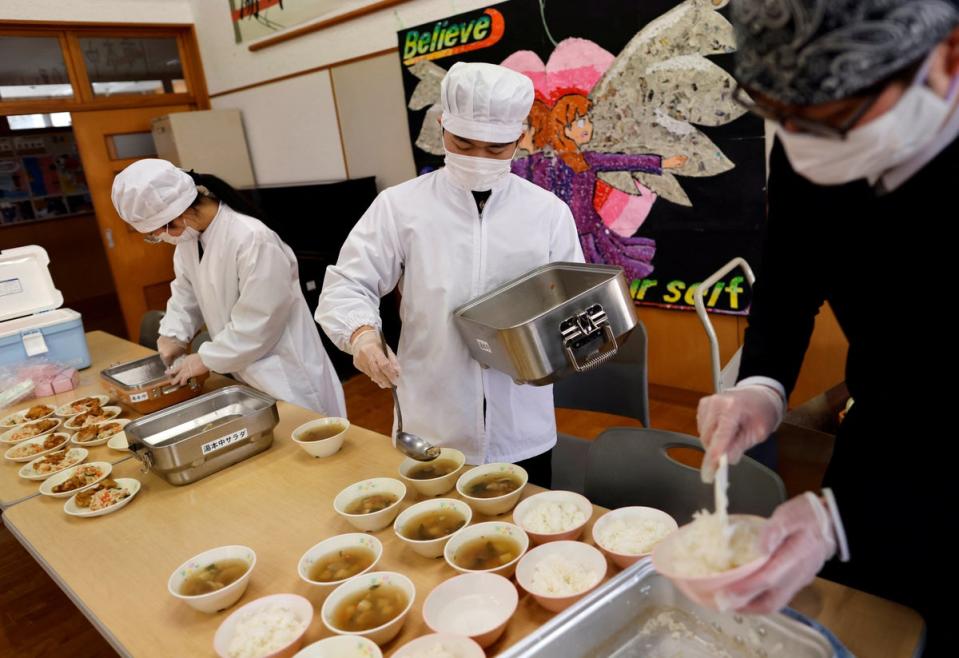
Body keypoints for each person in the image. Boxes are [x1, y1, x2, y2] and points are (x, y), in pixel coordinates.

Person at [694, 1, 956, 650]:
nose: (801, 146)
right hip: (880, 431)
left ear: (947, 57)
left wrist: (846, 519)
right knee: (853, 621)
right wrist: (760, 384)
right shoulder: (806, 135)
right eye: (776, 114)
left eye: (830, 120)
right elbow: (788, 277)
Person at [316, 62, 584, 487]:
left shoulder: (548, 212)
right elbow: (349, 282)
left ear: (519, 139)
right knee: (435, 529)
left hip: (520, 415)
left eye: (496, 149)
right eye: (464, 142)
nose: (478, 159)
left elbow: (574, 299)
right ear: (442, 127)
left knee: (523, 528)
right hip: (431, 411)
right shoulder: (400, 205)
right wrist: (362, 335)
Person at [111, 159, 346, 417]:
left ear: (177, 218)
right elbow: (185, 294)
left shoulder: (252, 238)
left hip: (285, 373)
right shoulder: (189, 240)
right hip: (243, 369)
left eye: (158, 232)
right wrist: (173, 335)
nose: (161, 238)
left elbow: (259, 322)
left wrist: (204, 358)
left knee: (309, 440)